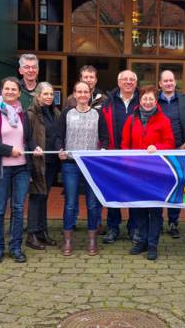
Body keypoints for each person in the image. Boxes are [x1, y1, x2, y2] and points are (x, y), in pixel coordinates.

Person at [0, 77, 40, 264]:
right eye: (7, 89)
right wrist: (8, 151)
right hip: (0, 169)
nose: (11, 92)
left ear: (19, 93)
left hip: (21, 168)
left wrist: (35, 147)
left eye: (14, 89)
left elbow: (28, 139)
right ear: (2, 91)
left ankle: (15, 247)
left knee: (18, 208)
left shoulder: (23, 115)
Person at [122, 85, 175, 260]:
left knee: (155, 210)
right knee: (139, 209)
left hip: (156, 172)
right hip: (135, 173)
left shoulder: (164, 120)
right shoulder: (131, 120)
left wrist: (157, 147)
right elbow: (125, 146)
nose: (147, 101)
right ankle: (141, 241)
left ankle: (153, 244)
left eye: (151, 98)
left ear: (155, 100)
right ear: (140, 100)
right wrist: (129, 167)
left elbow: (170, 144)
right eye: (144, 98)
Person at [57, 81, 109, 256]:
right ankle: (68, 240)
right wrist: (60, 150)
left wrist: (103, 150)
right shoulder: (66, 113)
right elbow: (59, 136)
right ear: (74, 93)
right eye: (79, 91)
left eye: (85, 92)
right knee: (70, 203)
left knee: (93, 204)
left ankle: (92, 240)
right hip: (70, 164)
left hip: (91, 164)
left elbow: (105, 137)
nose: (82, 95)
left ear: (90, 94)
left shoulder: (97, 114)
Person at [64, 65, 106, 233]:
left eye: (91, 77)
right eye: (85, 77)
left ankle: (96, 225)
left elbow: (104, 129)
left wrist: (104, 148)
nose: (88, 80)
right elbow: (64, 127)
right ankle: (71, 222)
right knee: (71, 197)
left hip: (92, 157)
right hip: (72, 158)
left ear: (95, 80)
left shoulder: (104, 99)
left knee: (93, 196)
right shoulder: (69, 101)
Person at [102, 70, 140, 244]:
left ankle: (134, 228)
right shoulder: (108, 102)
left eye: (132, 79)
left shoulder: (142, 100)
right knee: (113, 192)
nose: (129, 82)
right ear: (118, 82)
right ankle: (113, 227)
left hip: (136, 156)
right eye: (125, 79)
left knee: (134, 192)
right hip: (113, 154)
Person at [157, 70, 185, 239]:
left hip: (180, 149)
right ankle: (156, 221)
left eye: (171, 80)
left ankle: (173, 222)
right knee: (158, 186)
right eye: (166, 81)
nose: (169, 83)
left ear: (175, 82)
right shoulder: (154, 100)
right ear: (160, 84)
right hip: (158, 151)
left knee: (177, 186)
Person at [26, 82, 60, 250]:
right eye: (45, 94)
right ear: (38, 95)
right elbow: (27, 137)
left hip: (51, 161)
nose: (48, 97)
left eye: (51, 94)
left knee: (44, 196)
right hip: (37, 161)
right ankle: (31, 234)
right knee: (36, 196)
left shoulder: (55, 112)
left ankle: (42, 232)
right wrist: (33, 149)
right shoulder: (31, 114)